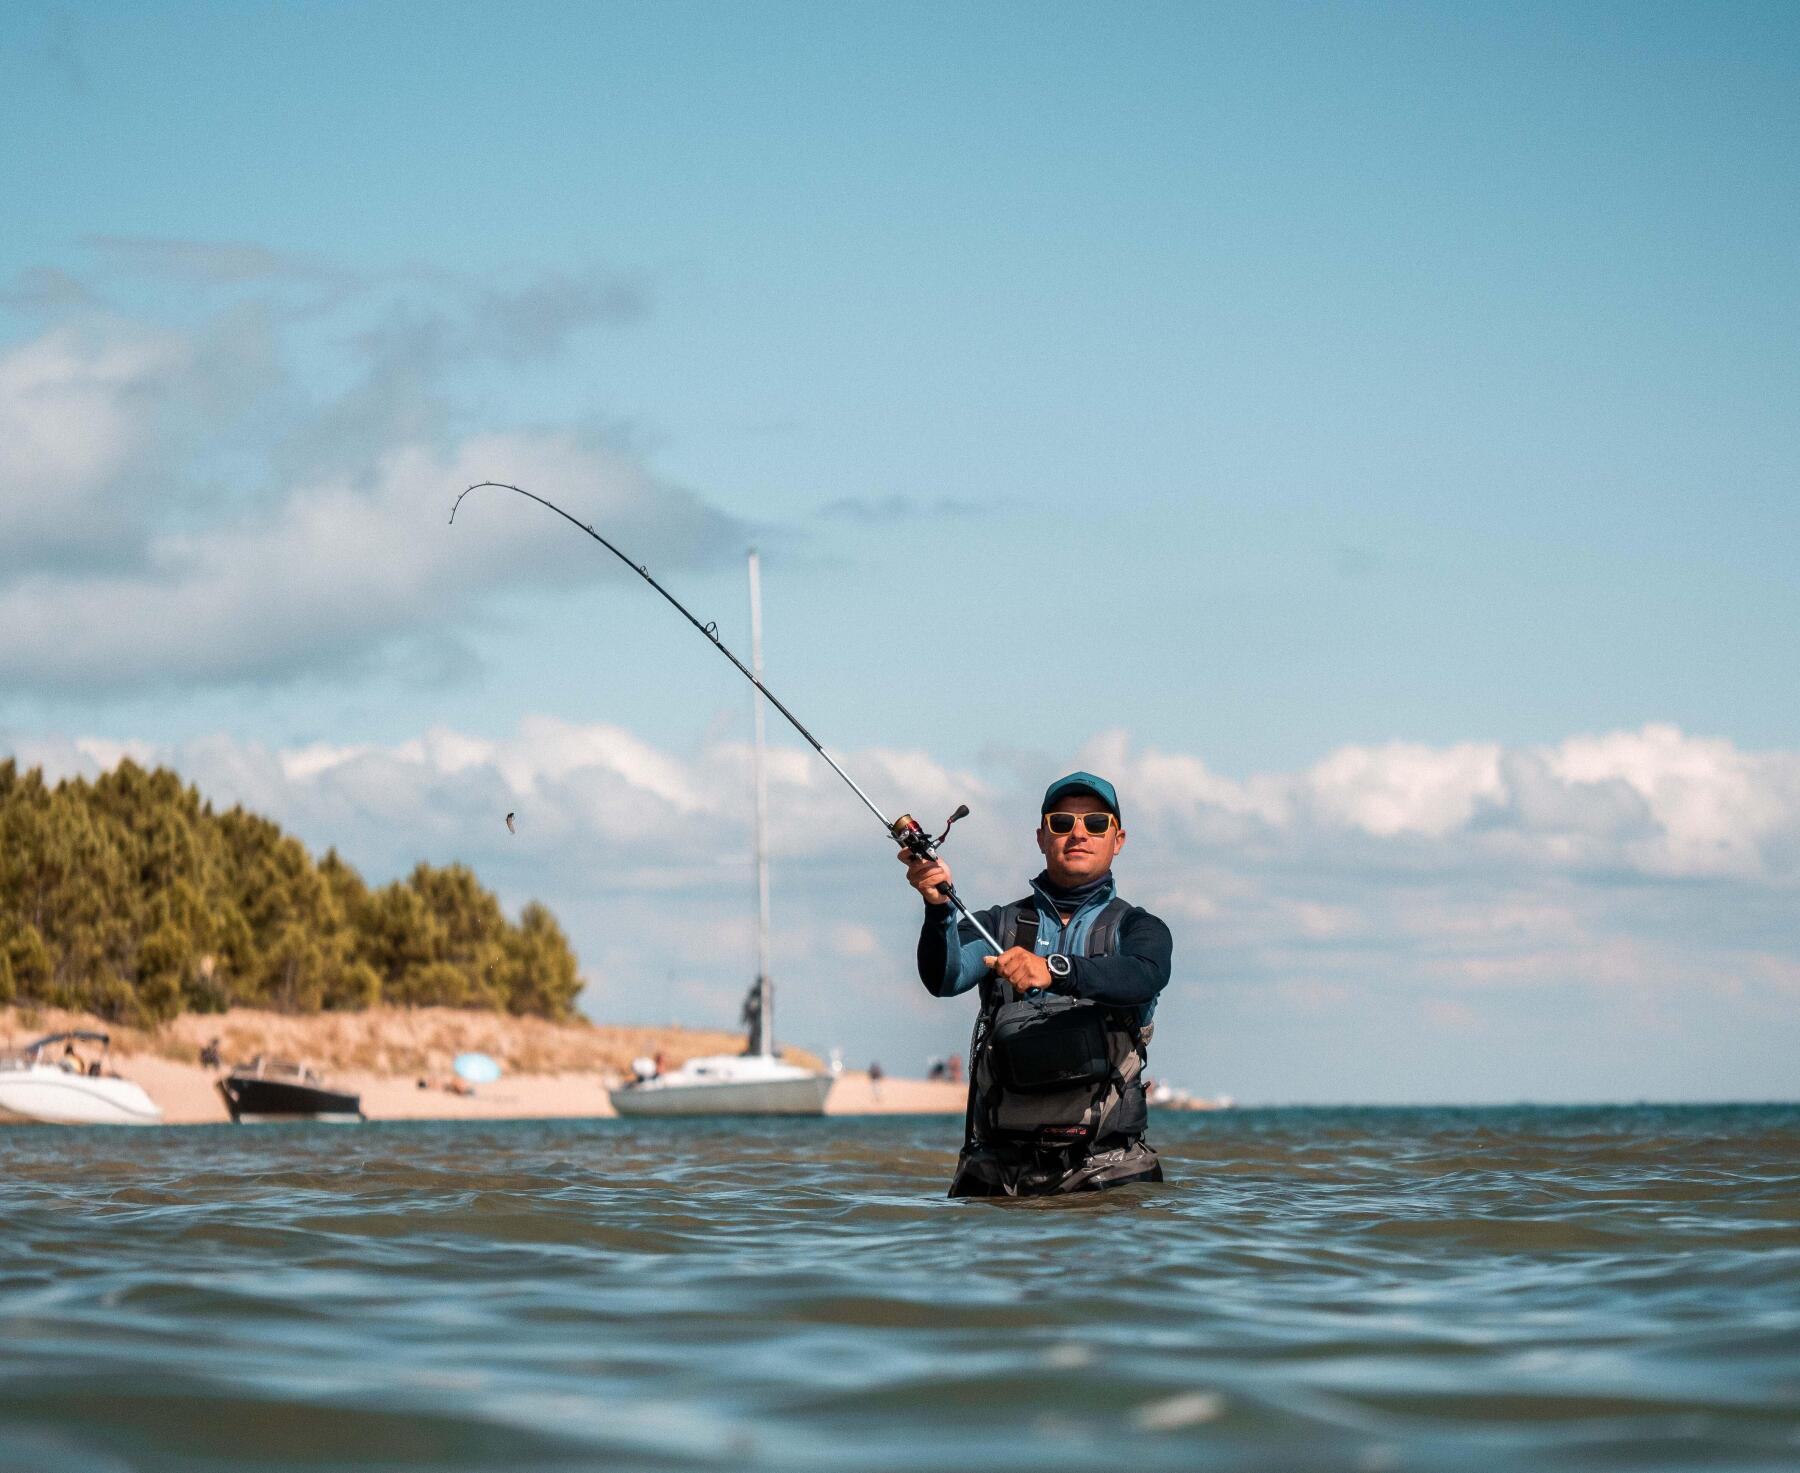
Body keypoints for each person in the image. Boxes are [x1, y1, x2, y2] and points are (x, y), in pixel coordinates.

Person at [902, 771, 1171, 1197]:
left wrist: (1055, 970)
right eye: (1062, 823)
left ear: (1117, 840)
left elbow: (1143, 976)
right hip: (998, 1170)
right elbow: (945, 977)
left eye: (1095, 823)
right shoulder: (996, 924)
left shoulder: (1140, 928)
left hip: (1107, 1169)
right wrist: (937, 911)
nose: (1078, 834)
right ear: (1042, 838)